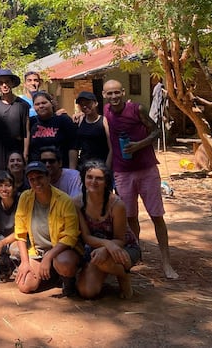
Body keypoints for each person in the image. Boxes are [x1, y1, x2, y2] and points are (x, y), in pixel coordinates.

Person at [103, 79, 178, 279]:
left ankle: (166, 263)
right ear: (104, 95)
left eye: (117, 93)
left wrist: (139, 145)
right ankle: (135, 256)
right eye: (109, 94)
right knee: (129, 218)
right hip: (122, 171)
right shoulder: (106, 113)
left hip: (147, 170)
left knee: (156, 215)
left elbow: (155, 131)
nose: (114, 97)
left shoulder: (137, 109)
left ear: (123, 92)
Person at [75, 160, 140, 299]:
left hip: (124, 247)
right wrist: (106, 244)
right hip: (95, 248)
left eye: (99, 178)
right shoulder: (77, 203)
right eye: (89, 177)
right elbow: (86, 236)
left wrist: (107, 248)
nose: (93, 181)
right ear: (83, 178)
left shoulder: (117, 205)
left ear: (106, 182)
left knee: (104, 262)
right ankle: (107, 271)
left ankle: (123, 275)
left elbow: (121, 240)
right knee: (87, 291)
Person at [14, 161, 81, 296]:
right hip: (38, 251)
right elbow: (20, 233)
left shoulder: (64, 200)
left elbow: (71, 235)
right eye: (32, 179)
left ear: (48, 177)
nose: (36, 182)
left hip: (61, 251)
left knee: (64, 263)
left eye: (39, 178)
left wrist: (49, 256)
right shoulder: (25, 197)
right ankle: (52, 276)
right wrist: (25, 262)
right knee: (25, 286)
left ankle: (68, 279)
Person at [0, 69, 30, 173]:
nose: (4, 85)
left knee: (17, 175)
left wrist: (25, 152)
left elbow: (26, 131)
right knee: (1, 177)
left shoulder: (22, 105)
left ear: (12, 83)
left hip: (17, 146)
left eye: (7, 82)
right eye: (1, 83)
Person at [29, 91, 79, 169]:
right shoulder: (31, 122)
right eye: (37, 104)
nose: (41, 106)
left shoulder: (63, 120)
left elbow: (73, 146)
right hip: (38, 171)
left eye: (44, 103)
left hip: (61, 169)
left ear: (51, 103)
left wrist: (72, 170)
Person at [76, 91, 111, 165]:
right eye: (82, 104)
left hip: (101, 163)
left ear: (96, 103)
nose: (85, 106)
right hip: (84, 164)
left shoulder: (104, 121)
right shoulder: (80, 120)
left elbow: (111, 148)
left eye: (88, 103)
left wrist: (107, 168)